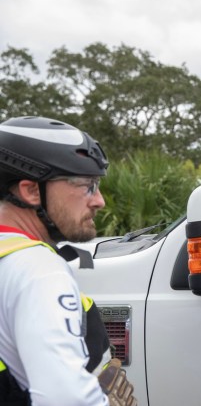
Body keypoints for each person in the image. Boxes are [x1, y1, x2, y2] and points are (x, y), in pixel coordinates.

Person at [0, 116, 136, 405]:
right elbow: (66, 398)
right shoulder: (39, 271)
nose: (99, 201)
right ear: (32, 190)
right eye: (86, 185)